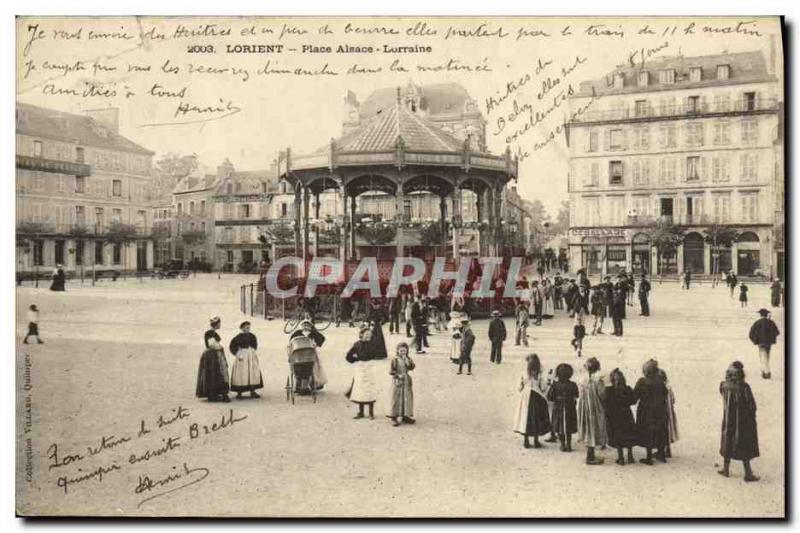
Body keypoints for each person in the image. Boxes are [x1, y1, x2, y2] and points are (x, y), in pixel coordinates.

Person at [718, 361, 760, 482]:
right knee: (744, 444)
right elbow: (752, 406)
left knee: (727, 440)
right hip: (743, 421)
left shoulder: (723, 386)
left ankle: (726, 469)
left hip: (728, 419)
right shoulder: (745, 387)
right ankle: (748, 473)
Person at [634, 359, 669, 465]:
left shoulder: (642, 382)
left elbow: (635, 396)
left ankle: (649, 457)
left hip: (646, 411)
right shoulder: (660, 381)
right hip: (660, 410)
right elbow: (665, 393)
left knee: (647, 432)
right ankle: (661, 454)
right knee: (660, 431)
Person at [513, 354, 552, 449]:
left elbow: (519, 387)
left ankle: (526, 440)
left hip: (526, 396)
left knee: (525, 418)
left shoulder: (524, 373)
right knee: (537, 418)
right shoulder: (539, 374)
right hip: (537, 397)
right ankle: (536, 440)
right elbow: (543, 388)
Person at [577, 357, 607, 465]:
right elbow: (602, 394)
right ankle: (590, 457)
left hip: (584, 406)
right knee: (593, 428)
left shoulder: (582, 379)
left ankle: (590, 454)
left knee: (587, 429)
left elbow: (580, 392)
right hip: (594, 407)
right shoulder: (598, 380)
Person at [603, 368, 637, 465]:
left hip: (615, 416)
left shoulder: (609, 391)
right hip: (626, 414)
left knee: (618, 437)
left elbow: (606, 404)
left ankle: (621, 458)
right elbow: (633, 401)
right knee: (629, 434)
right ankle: (630, 456)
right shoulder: (628, 389)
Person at [346, 326, 378, 420]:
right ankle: (361, 412)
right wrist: (355, 359)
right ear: (361, 335)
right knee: (360, 389)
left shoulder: (373, 344)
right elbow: (348, 356)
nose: (368, 336)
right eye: (366, 334)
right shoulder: (356, 345)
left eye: (370, 334)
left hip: (369, 367)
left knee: (369, 389)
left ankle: (371, 412)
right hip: (360, 367)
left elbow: (376, 353)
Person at [196, 317, 231, 403]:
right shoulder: (210, 333)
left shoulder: (212, 332)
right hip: (212, 355)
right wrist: (220, 347)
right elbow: (211, 344)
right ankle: (215, 393)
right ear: (216, 324)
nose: (220, 325)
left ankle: (214, 393)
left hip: (212, 354)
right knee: (216, 372)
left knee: (215, 373)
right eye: (219, 323)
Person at [547, 363, 578, 452]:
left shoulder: (555, 385)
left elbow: (550, 397)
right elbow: (576, 395)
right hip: (570, 407)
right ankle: (569, 444)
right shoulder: (573, 384)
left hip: (558, 407)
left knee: (560, 427)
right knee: (568, 426)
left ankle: (562, 444)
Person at [289, 320, 328, 392]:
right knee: (297, 368)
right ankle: (299, 383)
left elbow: (322, 339)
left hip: (310, 353)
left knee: (314, 366)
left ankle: (313, 383)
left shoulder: (314, 333)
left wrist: (316, 343)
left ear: (310, 326)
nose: (306, 327)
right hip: (299, 354)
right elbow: (291, 342)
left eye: (307, 325)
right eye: (304, 325)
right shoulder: (297, 333)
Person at [229, 321, 263, 399]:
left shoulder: (252, 336)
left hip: (251, 356)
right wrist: (237, 353)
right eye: (246, 327)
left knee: (252, 372)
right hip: (242, 356)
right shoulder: (238, 337)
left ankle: (252, 390)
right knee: (241, 373)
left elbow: (255, 345)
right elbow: (232, 346)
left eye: (249, 327)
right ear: (242, 328)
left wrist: (252, 351)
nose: (248, 329)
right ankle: (239, 392)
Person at [388, 342, 415, 426]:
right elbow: (391, 371)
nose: (403, 353)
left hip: (406, 380)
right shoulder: (395, 359)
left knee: (407, 397)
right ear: (397, 351)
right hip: (398, 380)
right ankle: (394, 416)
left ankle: (405, 415)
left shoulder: (408, 358)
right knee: (397, 398)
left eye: (404, 351)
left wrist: (407, 361)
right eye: (401, 351)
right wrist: (397, 374)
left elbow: (412, 367)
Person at [748, 308, 780, 379]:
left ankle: (766, 372)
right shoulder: (771, 322)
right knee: (767, 356)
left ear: (760, 315)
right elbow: (777, 332)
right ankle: (765, 371)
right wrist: (771, 337)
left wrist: (755, 340)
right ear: (766, 314)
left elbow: (751, 334)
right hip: (768, 343)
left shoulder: (757, 322)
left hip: (760, 343)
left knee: (763, 357)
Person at [660, 369, 679, 458]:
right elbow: (673, 400)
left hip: (663, 412)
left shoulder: (660, 388)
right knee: (668, 431)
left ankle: (663, 451)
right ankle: (668, 450)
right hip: (670, 413)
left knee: (663, 431)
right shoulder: (668, 387)